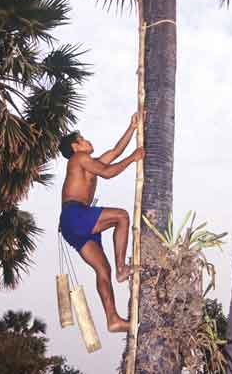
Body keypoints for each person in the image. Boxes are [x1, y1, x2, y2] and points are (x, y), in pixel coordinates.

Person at [58, 113, 145, 333]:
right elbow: (107, 173)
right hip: (75, 214)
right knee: (121, 216)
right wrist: (133, 157)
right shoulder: (78, 159)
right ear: (76, 147)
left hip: (73, 223)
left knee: (102, 270)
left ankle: (113, 320)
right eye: (83, 139)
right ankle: (122, 268)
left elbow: (115, 152)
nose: (87, 141)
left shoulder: (87, 163)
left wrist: (132, 127)